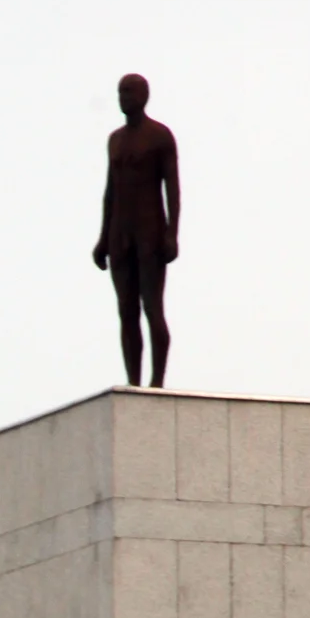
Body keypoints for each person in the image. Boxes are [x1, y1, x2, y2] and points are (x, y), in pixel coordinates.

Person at [92, 72, 180, 387]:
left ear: (144, 96)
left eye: (129, 92)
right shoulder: (115, 140)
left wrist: (171, 233)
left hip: (150, 231)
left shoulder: (160, 137)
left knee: (152, 307)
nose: (124, 97)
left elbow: (172, 187)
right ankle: (133, 381)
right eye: (121, 92)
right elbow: (110, 191)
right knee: (126, 311)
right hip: (120, 233)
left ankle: (157, 382)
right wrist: (103, 238)